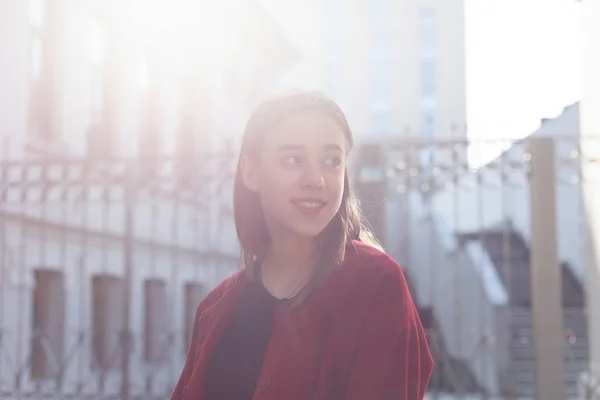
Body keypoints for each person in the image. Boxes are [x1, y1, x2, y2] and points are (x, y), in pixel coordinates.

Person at [171, 90, 433, 400]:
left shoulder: (376, 283)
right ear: (251, 172)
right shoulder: (214, 309)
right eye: (293, 159)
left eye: (332, 161)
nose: (316, 179)